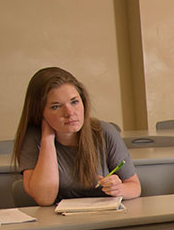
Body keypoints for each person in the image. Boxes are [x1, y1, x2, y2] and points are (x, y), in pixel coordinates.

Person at [13, 67, 140, 206]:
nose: (69, 113)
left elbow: (135, 187)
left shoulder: (104, 132)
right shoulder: (33, 138)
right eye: (56, 106)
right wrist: (47, 140)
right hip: (60, 224)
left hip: (106, 218)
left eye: (74, 102)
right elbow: (45, 198)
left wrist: (119, 189)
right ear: (39, 112)